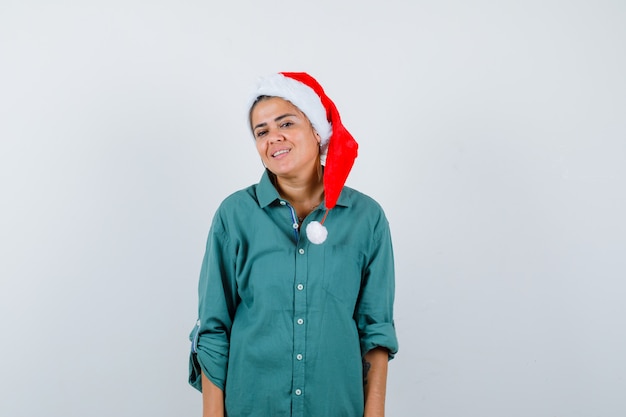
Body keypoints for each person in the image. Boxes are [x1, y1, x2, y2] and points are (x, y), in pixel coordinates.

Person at [188, 72, 398, 417]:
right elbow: (213, 329)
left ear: (317, 131)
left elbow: (376, 332)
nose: (274, 137)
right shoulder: (235, 215)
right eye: (262, 131)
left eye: (286, 122)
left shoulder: (367, 218)